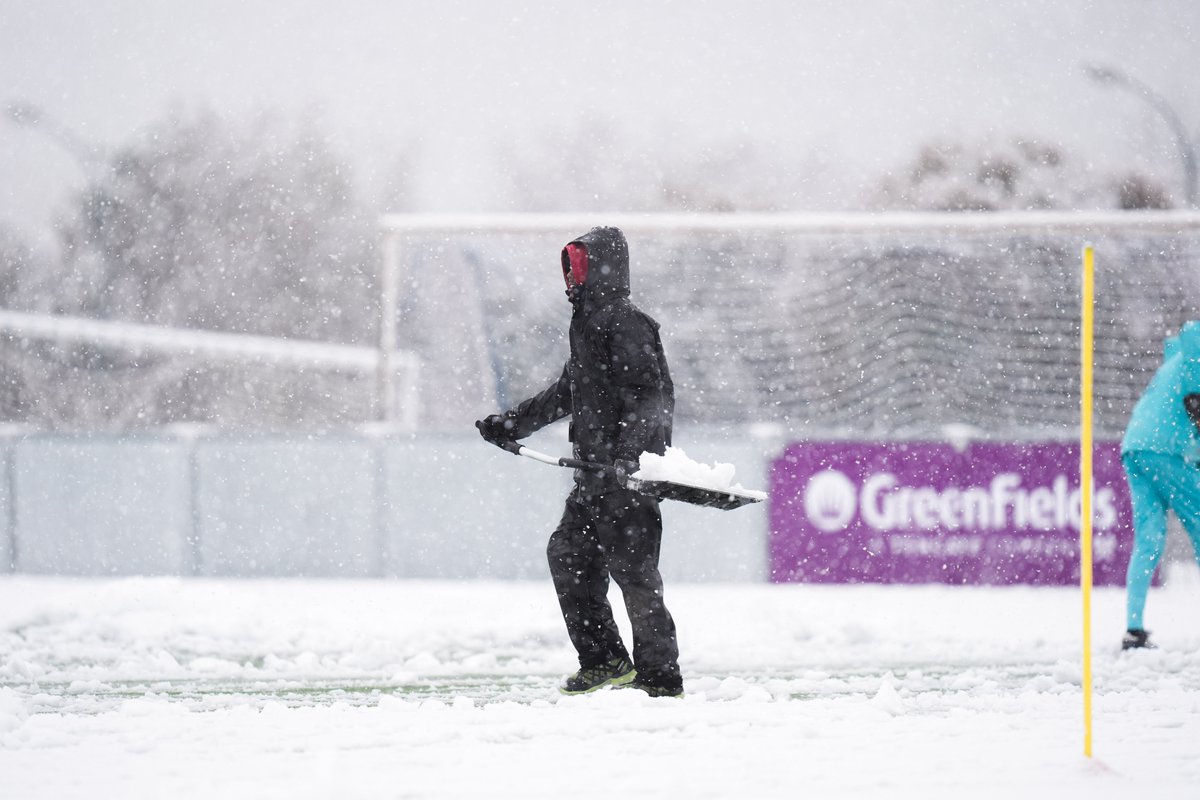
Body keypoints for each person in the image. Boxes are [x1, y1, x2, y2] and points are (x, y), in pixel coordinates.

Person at [476, 226, 683, 697]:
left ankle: (661, 679)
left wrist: (630, 456)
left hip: (626, 478)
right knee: (568, 557)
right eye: (569, 266)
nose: (571, 276)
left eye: (579, 264)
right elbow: (567, 393)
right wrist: (512, 425)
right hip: (593, 476)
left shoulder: (630, 324)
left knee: (635, 577)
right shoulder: (586, 325)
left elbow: (649, 398)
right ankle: (605, 660)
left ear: (601, 267)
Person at [1120, 320, 1200, 650]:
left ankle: (1133, 629)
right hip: (1165, 451)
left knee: (1149, 540)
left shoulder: (1174, 365)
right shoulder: (1194, 363)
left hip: (1135, 449)